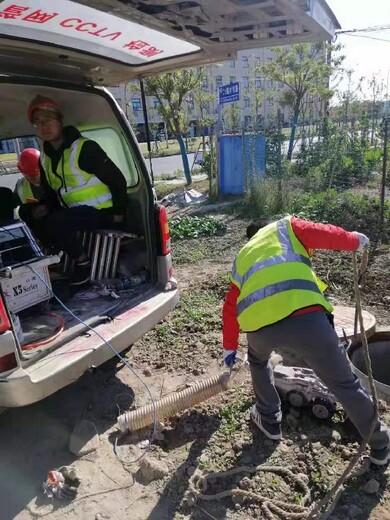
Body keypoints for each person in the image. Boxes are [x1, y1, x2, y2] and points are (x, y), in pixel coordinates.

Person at [222, 215, 390, 465]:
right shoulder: (286, 227)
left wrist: (229, 346)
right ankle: (380, 445)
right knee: (344, 384)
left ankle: (269, 419)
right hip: (305, 317)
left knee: (257, 361)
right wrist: (354, 240)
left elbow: (230, 305)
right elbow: (323, 232)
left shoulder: (243, 255)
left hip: (259, 327)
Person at [24, 95, 128, 285]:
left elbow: (117, 181)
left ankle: (83, 265)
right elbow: (50, 192)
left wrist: (119, 215)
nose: (43, 126)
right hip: (73, 213)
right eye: (38, 123)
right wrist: (42, 209)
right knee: (27, 211)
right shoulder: (45, 157)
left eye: (48, 120)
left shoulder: (85, 148)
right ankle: (53, 256)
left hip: (101, 211)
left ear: (60, 121)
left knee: (58, 220)